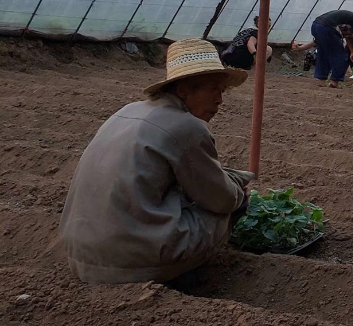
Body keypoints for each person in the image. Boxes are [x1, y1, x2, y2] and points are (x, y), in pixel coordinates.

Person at [59, 39, 254, 284]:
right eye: (212, 89)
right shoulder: (187, 127)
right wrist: (239, 193)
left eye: (221, 91)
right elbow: (221, 198)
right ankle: (182, 272)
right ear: (183, 89)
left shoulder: (126, 111)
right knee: (228, 206)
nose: (219, 100)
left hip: (81, 256)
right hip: (131, 266)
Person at [308, 10, 353, 88]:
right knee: (341, 55)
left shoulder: (351, 19)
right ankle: (334, 82)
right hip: (327, 27)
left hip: (316, 25)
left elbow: (347, 37)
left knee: (323, 53)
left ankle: (322, 80)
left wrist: (352, 52)